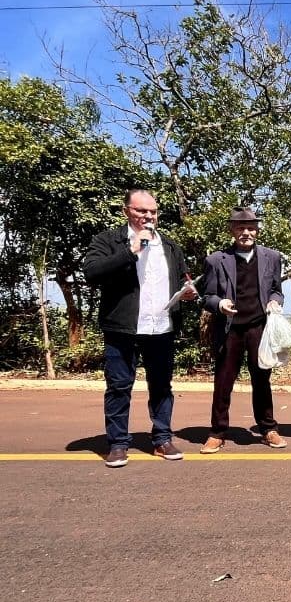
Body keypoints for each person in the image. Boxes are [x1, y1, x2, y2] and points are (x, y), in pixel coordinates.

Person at [82, 189, 199, 468]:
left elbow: (184, 278)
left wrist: (189, 291)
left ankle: (162, 439)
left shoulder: (169, 246)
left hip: (161, 328)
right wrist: (131, 250)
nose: (148, 217)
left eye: (152, 212)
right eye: (141, 211)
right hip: (122, 329)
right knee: (119, 387)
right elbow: (92, 272)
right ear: (126, 211)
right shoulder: (109, 240)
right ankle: (118, 444)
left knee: (161, 387)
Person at [200, 208, 286, 453]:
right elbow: (207, 296)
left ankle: (268, 429)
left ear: (257, 231)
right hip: (230, 329)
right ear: (232, 231)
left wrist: (275, 301)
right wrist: (220, 304)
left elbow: (276, 290)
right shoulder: (216, 260)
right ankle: (217, 432)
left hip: (259, 327)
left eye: (250, 228)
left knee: (262, 380)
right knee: (223, 382)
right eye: (240, 228)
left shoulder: (272, 257)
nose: (246, 233)